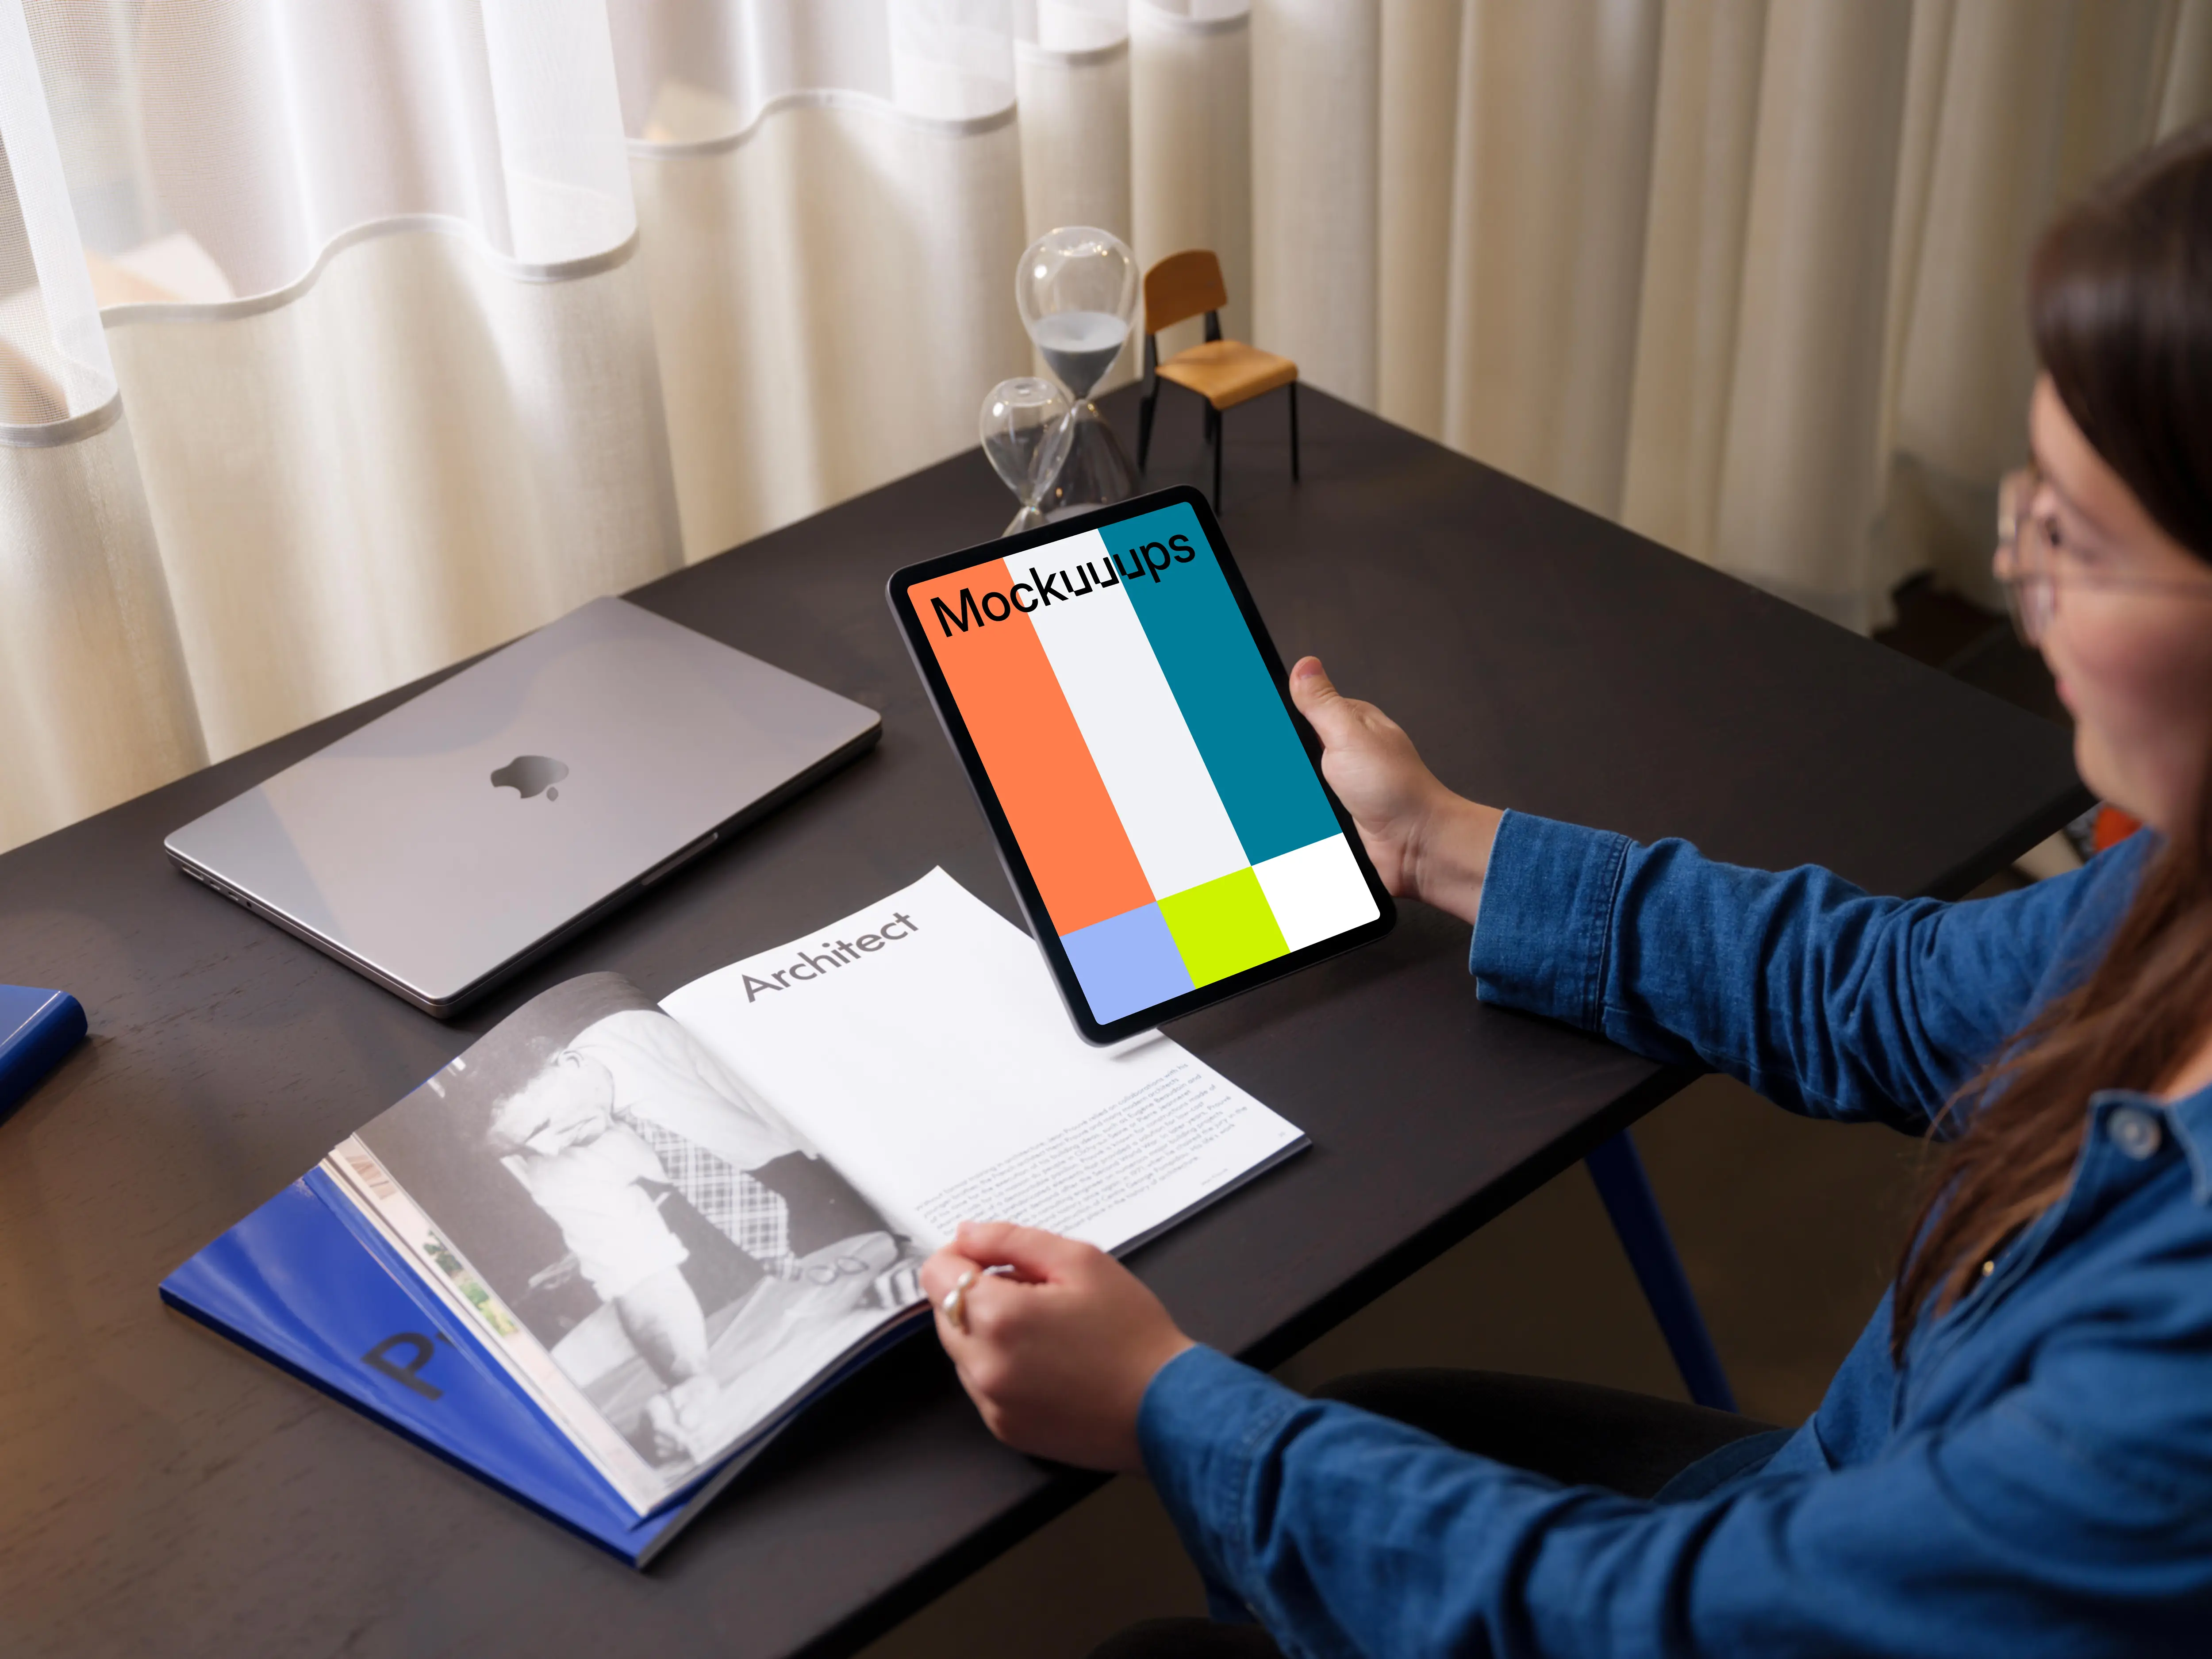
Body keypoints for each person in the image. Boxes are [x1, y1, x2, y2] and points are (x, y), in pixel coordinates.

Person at [919, 124, 2212, 1655]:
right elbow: (1887, 988)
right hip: (1827, 1495)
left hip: (1758, 1583)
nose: (2018, 576)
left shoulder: (2167, 1401)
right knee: (1374, 1430)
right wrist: (1435, 838)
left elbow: (1663, 1625)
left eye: (2073, 534)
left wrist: (1164, 1406)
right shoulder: (2177, 905)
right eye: (2025, 502)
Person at [488, 1008, 907, 1459]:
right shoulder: (554, 1160)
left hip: (855, 1165)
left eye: (540, 1126)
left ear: (567, 1064)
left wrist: (917, 1241)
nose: (546, 1148)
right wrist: (688, 1382)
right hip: (777, 1237)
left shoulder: (664, 1038)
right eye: (520, 1147)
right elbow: (637, 1274)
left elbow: (853, 1128)